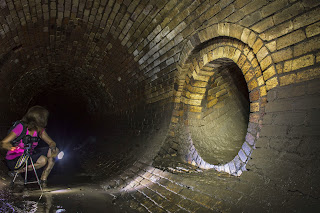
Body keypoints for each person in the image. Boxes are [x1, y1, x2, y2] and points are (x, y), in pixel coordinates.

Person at [1, 106, 59, 186]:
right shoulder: (21, 127)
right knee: (43, 160)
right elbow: (3, 143)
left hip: (29, 155)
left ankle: (44, 178)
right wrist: (15, 149)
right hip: (15, 159)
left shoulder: (39, 129)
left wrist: (52, 148)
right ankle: (16, 171)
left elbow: (51, 142)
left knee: (55, 150)